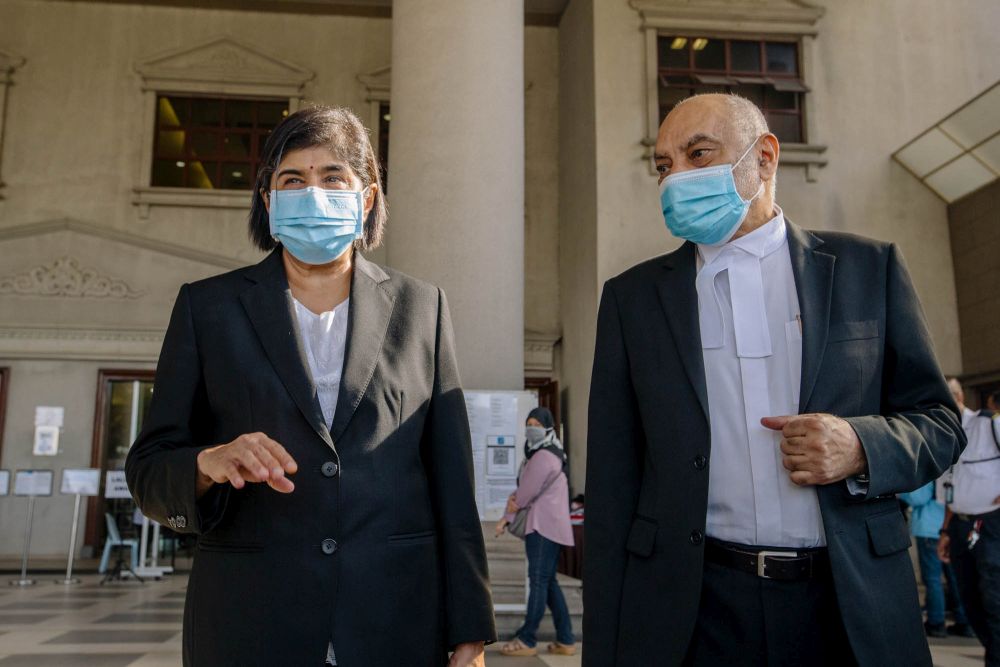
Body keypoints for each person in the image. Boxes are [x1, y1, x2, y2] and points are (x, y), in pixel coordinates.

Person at [584, 93, 965, 666]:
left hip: (847, 604)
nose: (676, 177)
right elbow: (613, 484)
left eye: (698, 155)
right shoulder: (632, 299)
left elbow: (940, 424)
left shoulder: (868, 269)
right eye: (663, 165)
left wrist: (861, 446)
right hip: (693, 610)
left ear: (764, 157)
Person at [125, 106, 495, 666]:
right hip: (250, 622)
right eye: (293, 180)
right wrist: (207, 462)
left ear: (366, 199)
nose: (313, 194)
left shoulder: (423, 308)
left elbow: (452, 481)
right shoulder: (209, 308)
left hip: (396, 618)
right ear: (268, 200)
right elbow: (149, 470)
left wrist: (470, 627)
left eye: (333, 178)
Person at [495, 407, 576, 657]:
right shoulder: (553, 453)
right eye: (529, 423)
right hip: (552, 526)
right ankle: (566, 639)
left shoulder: (542, 456)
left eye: (537, 425)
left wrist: (507, 517)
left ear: (548, 428)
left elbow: (526, 492)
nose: (531, 428)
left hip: (542, 527)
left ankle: (527, 638)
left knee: (539, 580)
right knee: (548, 581)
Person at [939, 378, 1000, 665]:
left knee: (994, 598)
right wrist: (944, 531)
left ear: (959, 396)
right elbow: (950, 490)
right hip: (960, 527)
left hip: (990, 524)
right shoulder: (942, 437)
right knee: (970, 599)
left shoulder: (988, 424)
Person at [899, 481, 972, 638]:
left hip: (929, 529)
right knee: (955, 579)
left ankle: (936, 622)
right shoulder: (953, 472)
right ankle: (964, 622)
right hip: (951, 529)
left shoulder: (932, 473)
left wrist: (899, 491)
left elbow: (917, 498)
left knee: (932, 579)